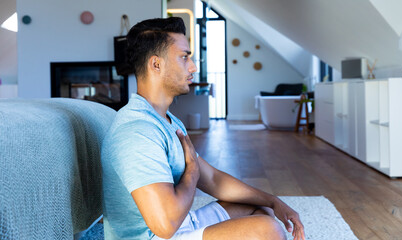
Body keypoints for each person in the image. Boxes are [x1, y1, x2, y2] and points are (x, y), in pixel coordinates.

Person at [101, 17, 305, 240]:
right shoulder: (137, 132)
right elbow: (165, 225)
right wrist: (192, 172)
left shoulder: (166, 120)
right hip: (156, 236)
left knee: (259, 209)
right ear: (156, 64)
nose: (193, 67)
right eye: (184, 57)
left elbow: (214, 179)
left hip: (182, 225)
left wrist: (274, 201)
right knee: (268, 230)